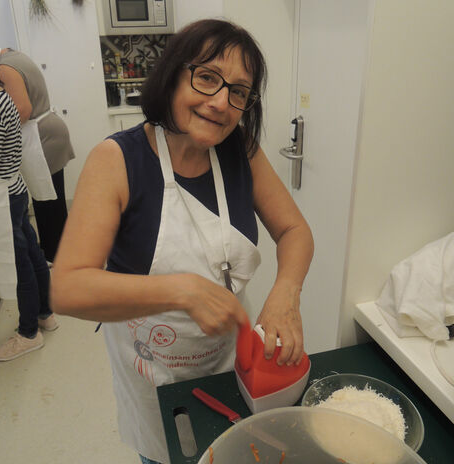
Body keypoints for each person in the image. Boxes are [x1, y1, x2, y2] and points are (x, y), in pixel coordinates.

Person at [50, 19, 314, 464]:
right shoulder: (117, 160)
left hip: (230, 364)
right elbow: (67, 288)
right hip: (155, 374)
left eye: (238, 92)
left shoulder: (241, 151)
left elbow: (294, 231)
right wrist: (182, 289)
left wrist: (286, 294)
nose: (220, 102)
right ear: (172, 74)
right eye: (207, 77)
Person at [0, 38, 58, 362]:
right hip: (15, 187)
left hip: (1, 195)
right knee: (32, 253)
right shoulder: (3, 99)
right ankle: (45, 313)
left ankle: (29, 333)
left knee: (19, 265)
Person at [0, 43, 75, 263]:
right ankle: (57, 251)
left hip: (43, 137)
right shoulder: (14, 56)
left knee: (47, 201)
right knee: (51, 200)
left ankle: (55, 256)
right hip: (48, 132)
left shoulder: (5, 67)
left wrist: (1, 135)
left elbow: (22, 109)